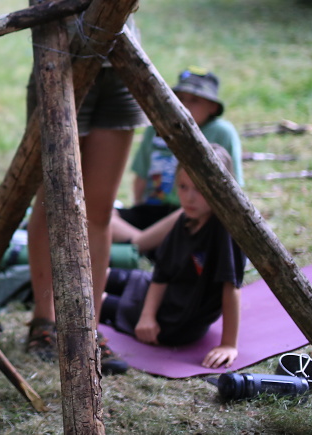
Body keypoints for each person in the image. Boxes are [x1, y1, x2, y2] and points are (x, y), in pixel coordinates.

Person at [18, 0, 158, 375]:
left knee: (99, 208)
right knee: (54, 201)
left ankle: (90, 328)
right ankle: (45, 320)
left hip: (118, 70)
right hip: (60, 71)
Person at [100, 144, 245, 369]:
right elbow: (162, 273)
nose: (189, 198)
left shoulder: (225, 230)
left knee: (93, 300)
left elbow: (231, 287)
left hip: (173, 320)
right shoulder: (186, 218)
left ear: (220, 187)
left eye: (199, 189)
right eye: (183, 187)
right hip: (158, 292)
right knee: (98, 276)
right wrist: (147, 314)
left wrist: (228, 344)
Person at [112, 68, 243, 257]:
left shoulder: (222, 132)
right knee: (101, 215)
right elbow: (141, 175)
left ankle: (137, 246)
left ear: (213, 107)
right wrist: (139, 205)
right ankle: (148, 244)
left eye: (195, 100)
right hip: (153, 209)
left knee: (183, 217)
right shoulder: (156, 127)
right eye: (179, 98)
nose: (184, 105)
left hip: (190, 211)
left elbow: (232, 189)